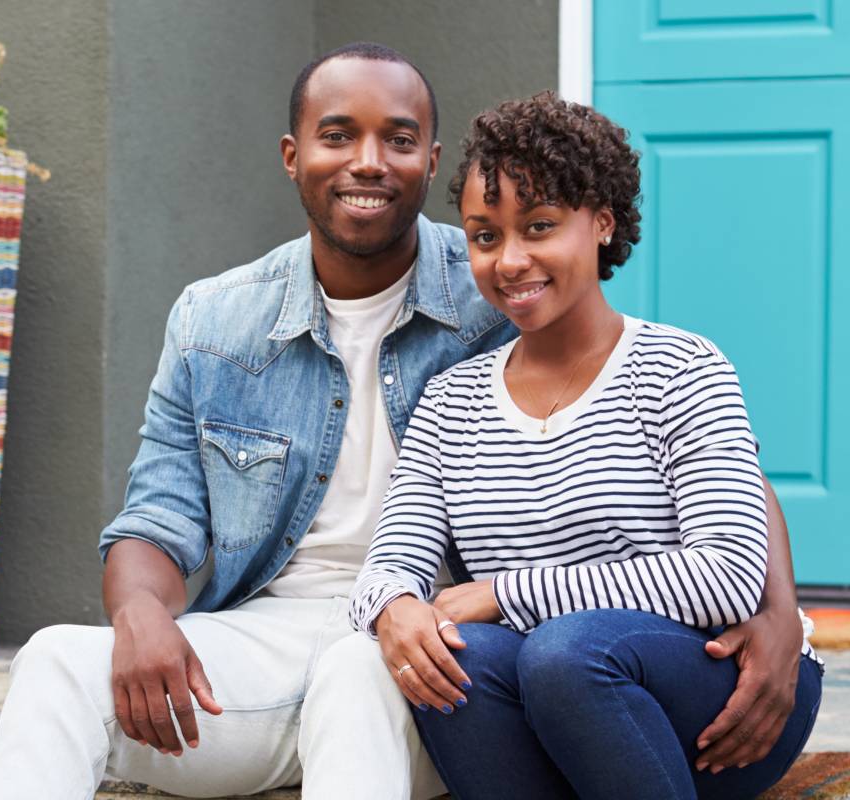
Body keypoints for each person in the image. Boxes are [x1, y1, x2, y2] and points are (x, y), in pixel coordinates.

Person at [0, 45, 810, 799]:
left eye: (398, 140)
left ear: (431, 161)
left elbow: (719, 474)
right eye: (338, 136)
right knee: (54, 658)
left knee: (377, 670)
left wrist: (777, 612)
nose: (367, 163)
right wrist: (140, 617)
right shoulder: (217, 320)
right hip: (295, 632)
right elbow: (157, 512)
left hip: (445, 648)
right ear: (293, 155)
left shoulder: (505, 294)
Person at [350, 93, 824, 799]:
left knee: (565, 652)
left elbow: (726, 573)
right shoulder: (451, 401)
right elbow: (391, 563)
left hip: (714, 695)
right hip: (549, 698)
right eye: (484, 236)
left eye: (539, 227)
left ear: (601, 222)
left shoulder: (681, 369)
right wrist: (395, 609)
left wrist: (502, 593)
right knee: (459, 658)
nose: (510, 261)